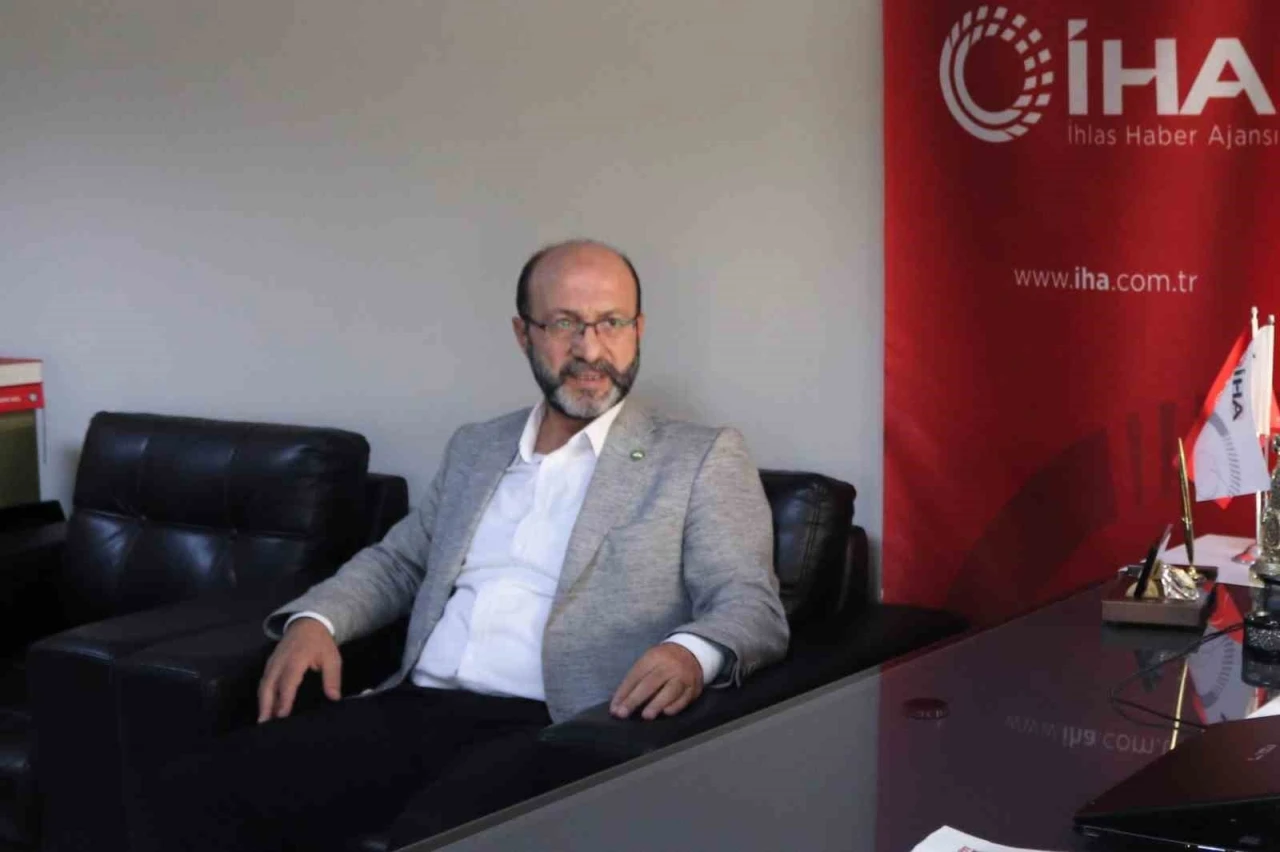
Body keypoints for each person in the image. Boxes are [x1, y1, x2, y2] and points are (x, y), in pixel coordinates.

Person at [143, 239, 789, 851]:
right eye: (565, 323)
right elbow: (399, 561)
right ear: (523, 334)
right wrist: (316, 620)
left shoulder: (698, 457)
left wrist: (689, 653)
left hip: (558, 724)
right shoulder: (478, 446)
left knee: (437, 835)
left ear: (638, 330)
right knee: (189, 789)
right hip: (417, 705)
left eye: (611, 322)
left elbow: (749, 602)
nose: (591, 349)